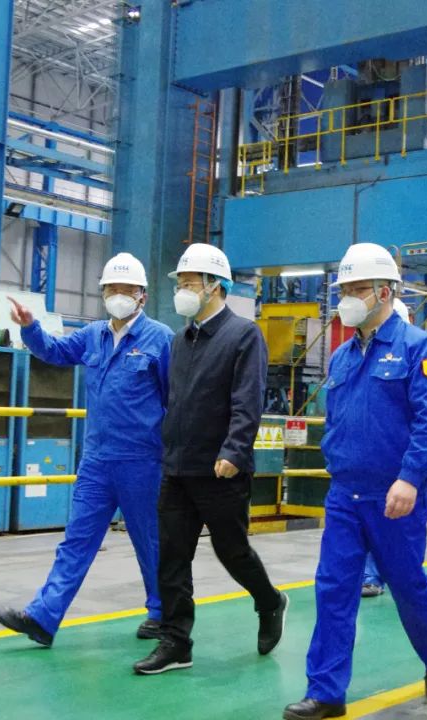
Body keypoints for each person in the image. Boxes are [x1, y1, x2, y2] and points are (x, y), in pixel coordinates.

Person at [284, 243, 427, 720]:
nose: (348, 298)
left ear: (385, 291)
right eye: (345, 290)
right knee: (333, 587)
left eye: (358, 289)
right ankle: (326, 691)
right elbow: (338, 418)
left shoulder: (418, 347)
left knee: (407, 585)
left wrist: (410, 478)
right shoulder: (341, 356)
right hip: (344, 494)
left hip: (393, 495)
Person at [0, 252, 173, 648]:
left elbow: (174, 398)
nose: (118, 296)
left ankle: (163, 613)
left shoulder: (160, 339)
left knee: (150, 541)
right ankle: (44, 617)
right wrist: (30, 327)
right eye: (112, 289)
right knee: (76, 540)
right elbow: (54, 352)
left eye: (126, 289)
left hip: (142, 461)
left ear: (142, 296)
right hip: (97, 461)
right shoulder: (92, 335)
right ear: (103, 293)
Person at [134, 243, 287, 675]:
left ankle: (269, 600)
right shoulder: (181, 340)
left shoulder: (243, 335)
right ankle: (176, 641)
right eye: (180, 283)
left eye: (188, 283)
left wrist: (235, 450)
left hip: (221, 469)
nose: (181, 291)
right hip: (178, 467)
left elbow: (248, 399)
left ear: (214, 286)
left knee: (232, 551)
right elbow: (176, 400)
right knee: (172, 555)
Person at [360, 299, 411, 599]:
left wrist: (412, 473)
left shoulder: (415, 352)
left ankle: (398, 576)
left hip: (400, 463)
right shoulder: (353, 356)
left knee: (396, 528)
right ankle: (371, 576)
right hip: (366, 465)